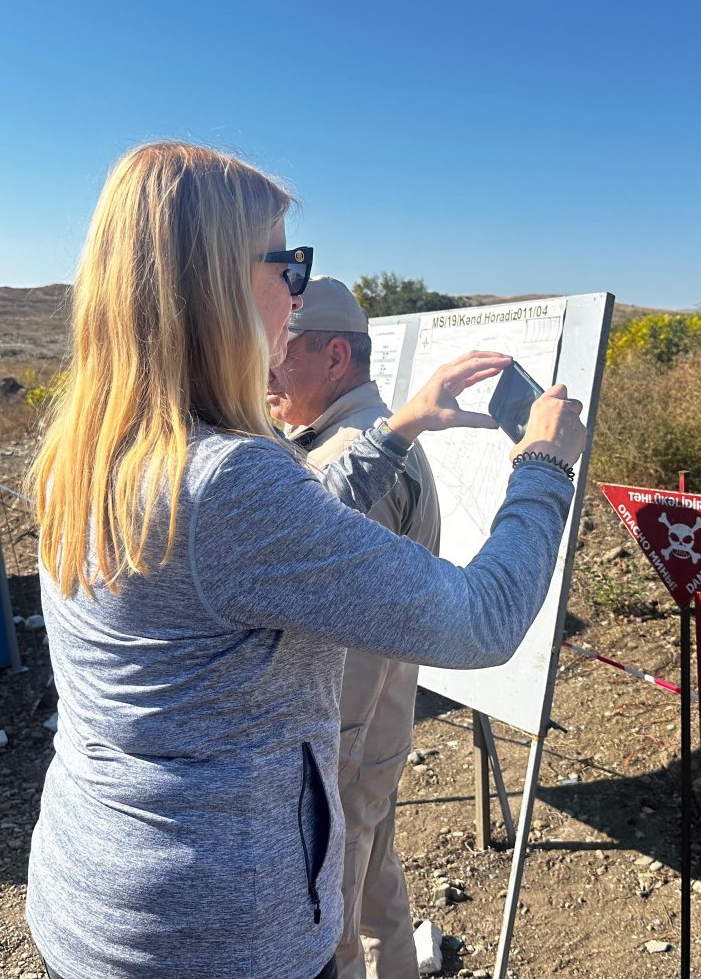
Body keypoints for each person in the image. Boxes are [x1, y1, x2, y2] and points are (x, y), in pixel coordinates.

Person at [26, 142, 585, 979]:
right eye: (287, 263)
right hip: (223, 928)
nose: (296, 287)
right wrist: (544, 467)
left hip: (98, 888)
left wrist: (396, 427)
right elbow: (481, 621)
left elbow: (268, 547)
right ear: (213, 280)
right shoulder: (230, 481)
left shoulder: (95, 444)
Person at [268, 276, 440, 979]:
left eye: (281, 349)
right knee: (374, 892)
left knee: (331, 918)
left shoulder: (349, 456)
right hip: (371, 729)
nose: (264, 366)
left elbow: (347, 637)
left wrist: (329, 758)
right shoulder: (347, 438)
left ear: (335, 358)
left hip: (349, 730)